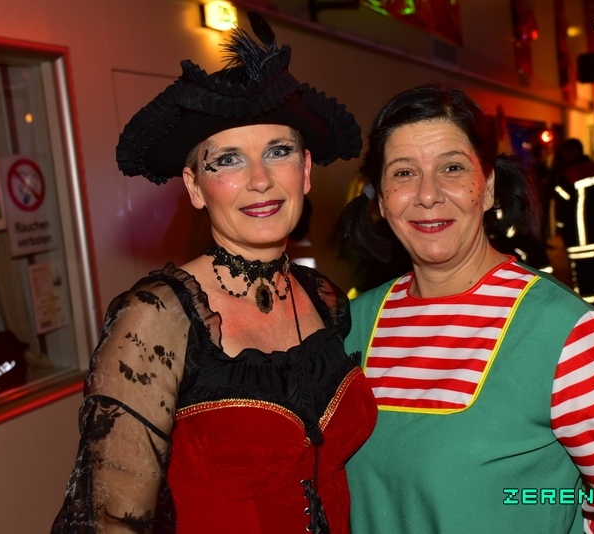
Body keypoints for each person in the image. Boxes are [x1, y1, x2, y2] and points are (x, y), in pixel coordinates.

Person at [52, 13, 377, 534]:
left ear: (305, 171)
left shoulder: (324, 299)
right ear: (195, 187)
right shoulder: (156, 318)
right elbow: (109, 521)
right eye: (227, 160)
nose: (260, 180)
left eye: (278, 152)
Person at [336, 84, 594, 533]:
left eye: (451, 167)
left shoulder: (566, 335)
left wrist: (543, 505)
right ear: (382, 199)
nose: (427, 194)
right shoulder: (352, 325)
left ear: (487, 188)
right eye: (404, 173)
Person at [554, 137, 594, 315]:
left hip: (578, 239)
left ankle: (588, 316)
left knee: (583, 278)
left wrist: (561, 228)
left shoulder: (567, 176)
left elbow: (562, 208)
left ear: (570, 153)